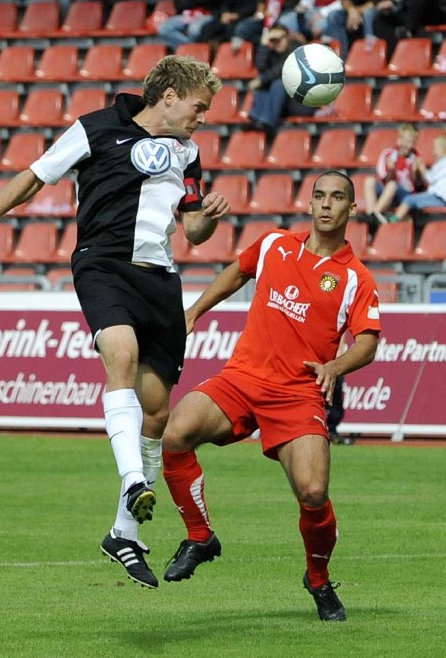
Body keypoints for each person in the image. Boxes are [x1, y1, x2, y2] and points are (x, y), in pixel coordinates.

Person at [0, 55, 230, 591]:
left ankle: (123, 533)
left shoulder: (188, 151)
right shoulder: (96, 128)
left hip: (161, 280)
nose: (203, 117)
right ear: (169, 96)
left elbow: (192, 231)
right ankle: (134, 480)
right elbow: (37, 174)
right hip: (103, 264)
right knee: (120, 355)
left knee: (156, 411)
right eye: (199, 106)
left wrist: (207, 217)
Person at [161, 171, 381, 622]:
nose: (326, 204)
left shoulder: (356, 278)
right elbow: (237, 272)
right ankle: (200, 536)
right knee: (175, 433)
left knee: (314, 492)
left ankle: (318, 579)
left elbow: (367, 342)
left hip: (298, 394)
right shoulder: (274, 244)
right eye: (319, 195)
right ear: (310, 203)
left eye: (337, 197)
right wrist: (195, 311)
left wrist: (334, 367)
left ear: (351, 209)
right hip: (243, 378)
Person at [246, 23, 314, 138]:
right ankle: (256, 119)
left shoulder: (297, 50)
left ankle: (268, 123)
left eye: (279, 40)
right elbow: (260, 67)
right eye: (273, 40)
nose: (276, 43)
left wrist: (261, 80)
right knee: (264, 85)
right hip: (282, 103)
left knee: (279, 83)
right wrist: (264, 45)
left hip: (301, 103)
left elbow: (283, 68)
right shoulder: (272, 52)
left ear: (287, 37)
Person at [387, 135, 446, 221]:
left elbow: (430, 179)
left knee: (409, 200)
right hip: (436, 196)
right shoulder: (443, 162)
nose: (433, 151)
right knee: (410, 203)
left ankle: (392, 221)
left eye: (436, 148)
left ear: (444, 149)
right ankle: (399, 222)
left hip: (440, 198)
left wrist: (422, 167)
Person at [363, 123, 421, 224]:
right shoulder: (388, 154)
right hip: (388, 190)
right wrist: (390, 169)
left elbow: (417, 185)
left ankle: (374, 215)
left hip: (405, 193)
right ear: (399, 140)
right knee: (369, 181)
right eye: (407, 141)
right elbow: (384, 177)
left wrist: (415, 172)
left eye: (413, 142)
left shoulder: (416, 158)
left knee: (392, 185)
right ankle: (371, 213)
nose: (410, 145)